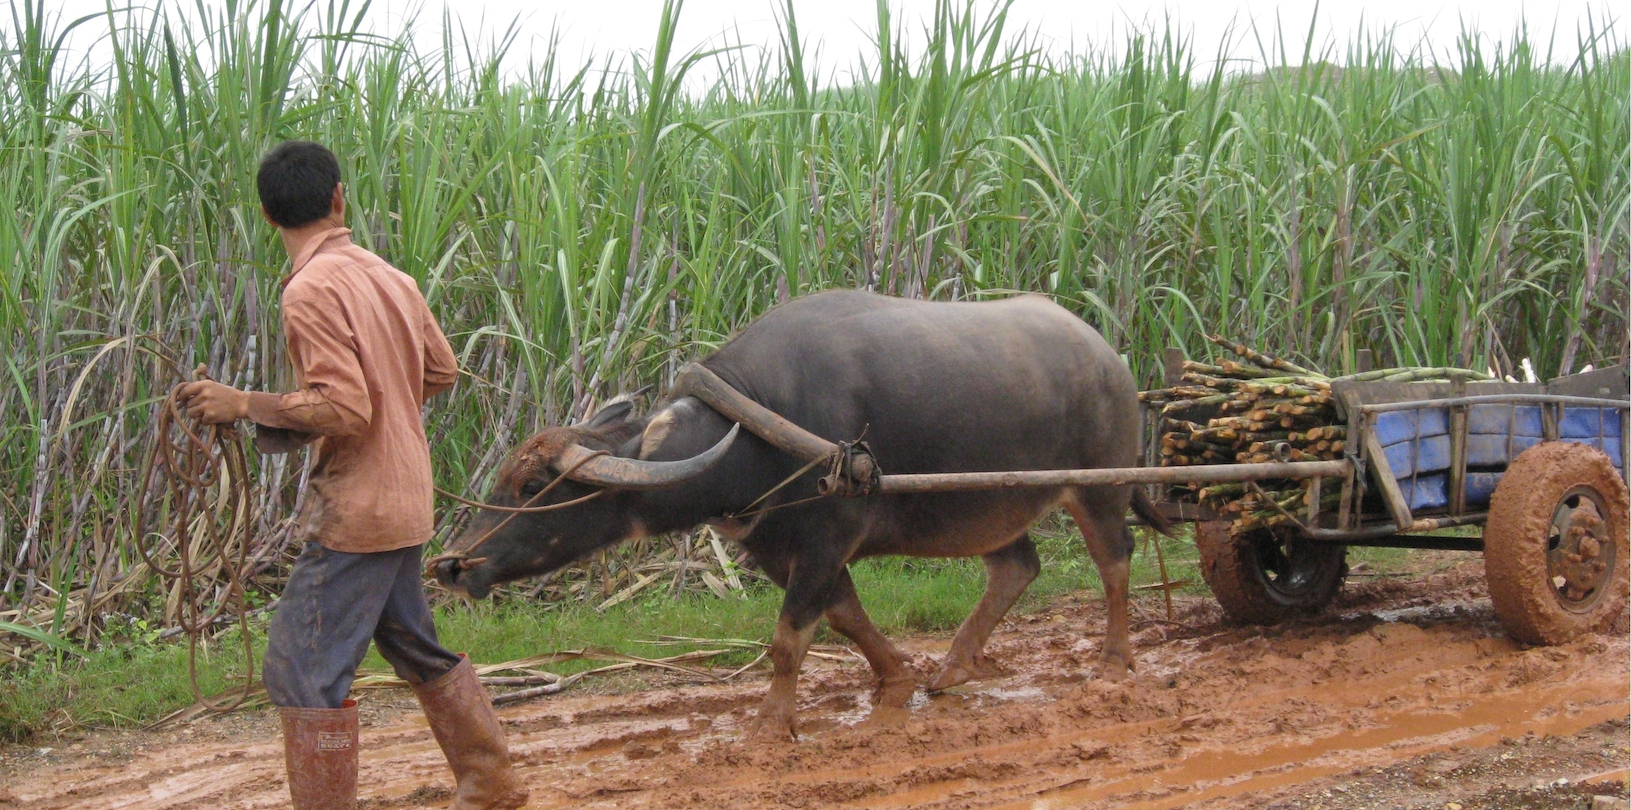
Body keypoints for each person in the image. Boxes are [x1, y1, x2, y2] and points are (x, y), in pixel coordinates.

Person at [178, 140, 528, 810]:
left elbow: (343, 407)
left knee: (302, 669)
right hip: (406, 503)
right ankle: (492, 783)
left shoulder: (309, 289)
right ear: (339, 199)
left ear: (266, 215)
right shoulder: (390, 277)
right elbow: (441, 370)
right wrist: (387, 399)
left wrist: (241, 404)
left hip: (358, 515)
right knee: (414, 645)